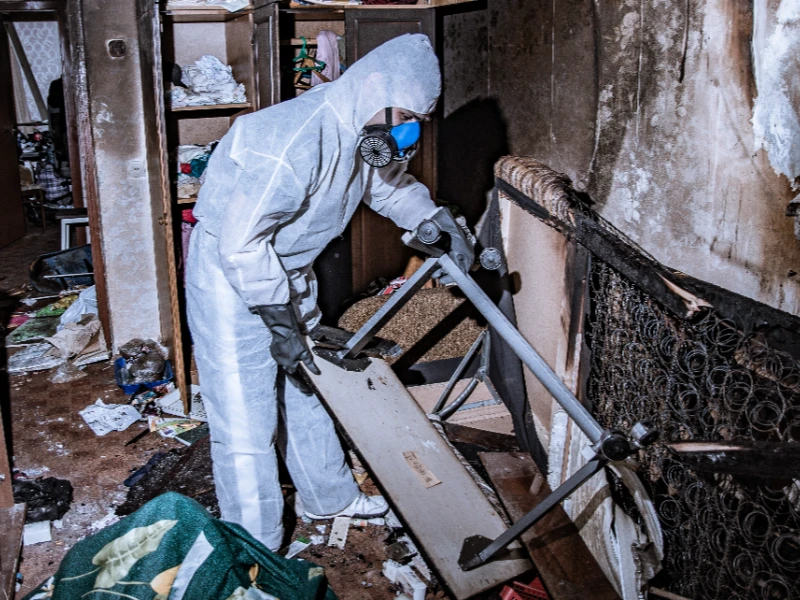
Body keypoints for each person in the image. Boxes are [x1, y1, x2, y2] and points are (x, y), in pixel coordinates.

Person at [186, 34, 474, 550]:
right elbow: (241, 245)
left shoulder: (368, 126)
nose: (408, 130)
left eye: (419, 121)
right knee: (246, 419)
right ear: (372, 88)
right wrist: (278, 324)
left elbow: (388, 187)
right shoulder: (289, 139)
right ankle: (256, 546)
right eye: (405, 113)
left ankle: (329, 497)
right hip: (232, 278)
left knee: (308, 385)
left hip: (291, 270)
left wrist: (432, 219)